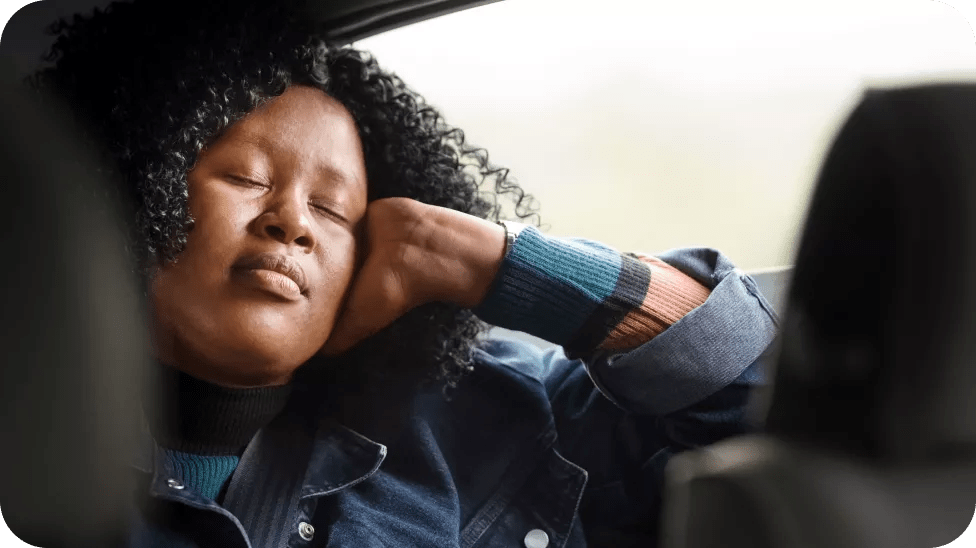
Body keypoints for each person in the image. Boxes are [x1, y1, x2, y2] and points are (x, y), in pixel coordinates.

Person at [33, 1, 779, 546]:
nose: (290, 221)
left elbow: (756, 410)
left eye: (334, 209)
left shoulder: (490, 413)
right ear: (132, 192)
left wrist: (480, 258)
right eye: (246, 179)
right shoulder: (32, 447)